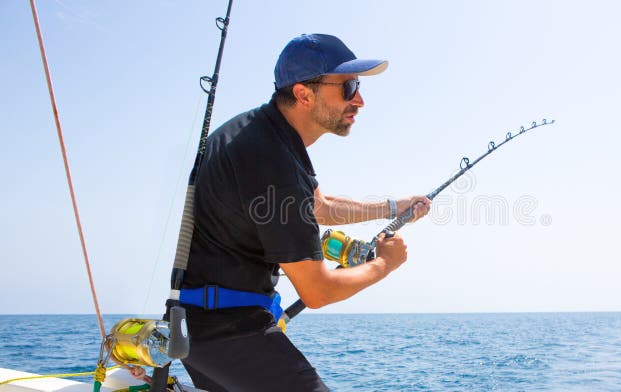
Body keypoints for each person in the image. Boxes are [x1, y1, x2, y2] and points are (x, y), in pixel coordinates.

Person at [178, 33, 431, 391]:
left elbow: (319, 207)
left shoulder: (256, 133)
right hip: (232, 334)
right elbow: (318, 291)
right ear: (303, 93)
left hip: (194, 330)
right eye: (347, 87)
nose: (359, 100)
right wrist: (383, 264)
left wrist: (393, 207)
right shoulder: (275, 164)